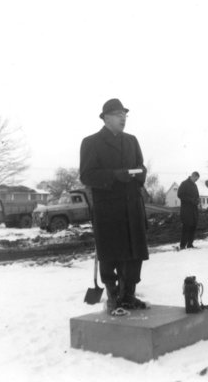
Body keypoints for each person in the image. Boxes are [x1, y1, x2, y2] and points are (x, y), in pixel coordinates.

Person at [79, 98, 149, 314]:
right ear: (105, 117)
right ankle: (113, 297)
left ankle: (129, 295)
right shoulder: (91, 142)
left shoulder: (132, 141)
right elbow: (87, 175)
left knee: (134, 253)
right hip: (109, 210)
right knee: (111, 254)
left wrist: (140, 174)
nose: (123, 118)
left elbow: (140, 165)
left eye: (125, 114)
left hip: (132, 207)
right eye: (118, 114)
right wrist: (114, 176)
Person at [177, 172, 200, 249]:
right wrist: (190, 200)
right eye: (196, 179)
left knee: (193, 226)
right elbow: (180, 194)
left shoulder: (195, 185)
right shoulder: (184, 184)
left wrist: (197, 200)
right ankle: (182, 245)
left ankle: (190, 244)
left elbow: (197, 196)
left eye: (197, 179)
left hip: (194, 210)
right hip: (186, 210)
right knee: (186, 227)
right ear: (193, 176)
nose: (196, 180)